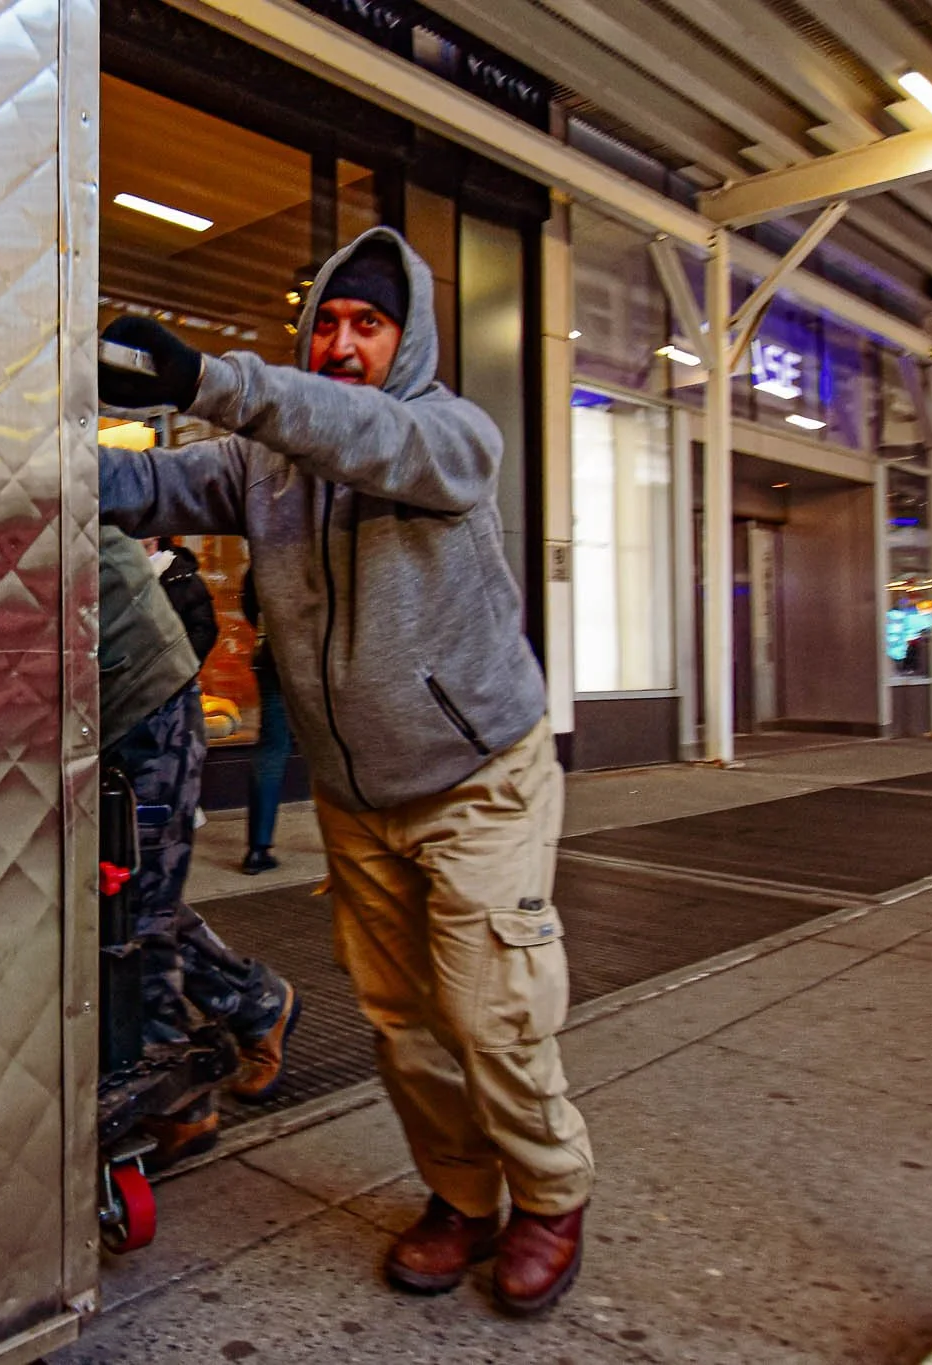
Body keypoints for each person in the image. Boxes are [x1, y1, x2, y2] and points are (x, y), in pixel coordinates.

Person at [97, 229, 592, 1315]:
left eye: (366, 324)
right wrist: (17, 442)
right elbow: (147, 484)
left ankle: (549, 1193)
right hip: (357, 796)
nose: (340, 343)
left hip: (478, 777)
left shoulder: (447, 436)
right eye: (324, 321)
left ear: (404, 337)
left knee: (486, 1007)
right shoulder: (265, 464)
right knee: (403, 1019)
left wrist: (204, 379)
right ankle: (460, 1199)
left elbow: (362, 440)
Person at [98, 524, 300, 1164]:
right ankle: (258, 1001)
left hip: (143, 709)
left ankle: (181, 1106)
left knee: (138, 908)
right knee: (127, 893)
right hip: (100, 706)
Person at [240, 573, 290, 875]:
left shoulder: (270, 547)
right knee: (331, 749)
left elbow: (250, 601)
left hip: (272, 651)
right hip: (320, 656)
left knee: (271, 746)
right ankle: (347, 840)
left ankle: (258, 847)